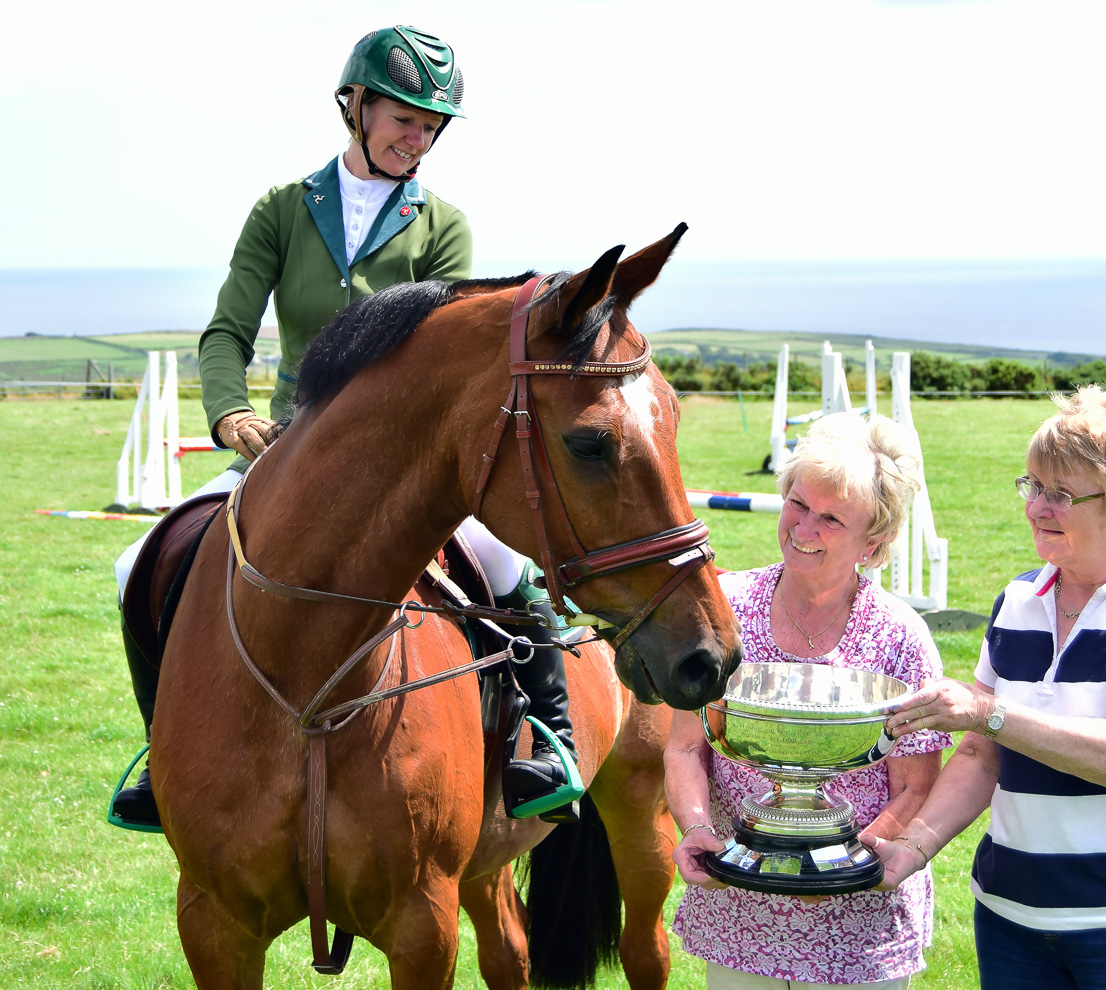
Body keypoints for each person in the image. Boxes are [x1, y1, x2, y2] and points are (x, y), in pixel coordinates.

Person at [111, 26, 580, 827]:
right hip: (284, 445)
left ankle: (547, 735)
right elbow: (227, 331)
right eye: (405, 118)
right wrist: (230, 413)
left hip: (406, 461)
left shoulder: (443, 226)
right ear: (356, 105)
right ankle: (167, 747)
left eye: (432, 127)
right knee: (137, 563)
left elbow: (438, 354)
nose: (418, 139)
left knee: (505, 562)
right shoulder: (284, 210)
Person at [872, 385, 1106, 989]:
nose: (1037, 507)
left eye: (1060, 494)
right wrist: (910, 849)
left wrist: (989, 711)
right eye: (1032, 486)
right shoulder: (1017, 600)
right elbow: (983, 755)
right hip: (1011, 920)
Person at [666, 412, 952, 990]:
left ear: (873, 543)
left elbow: (915, 786)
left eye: (831, 518)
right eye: (798, 503)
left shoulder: (900, 636)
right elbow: (684, 746)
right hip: (741, 906)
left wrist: (850, 860)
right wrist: (697, 827)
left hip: (858, 923)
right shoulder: (722, 610)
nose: (804, 527)